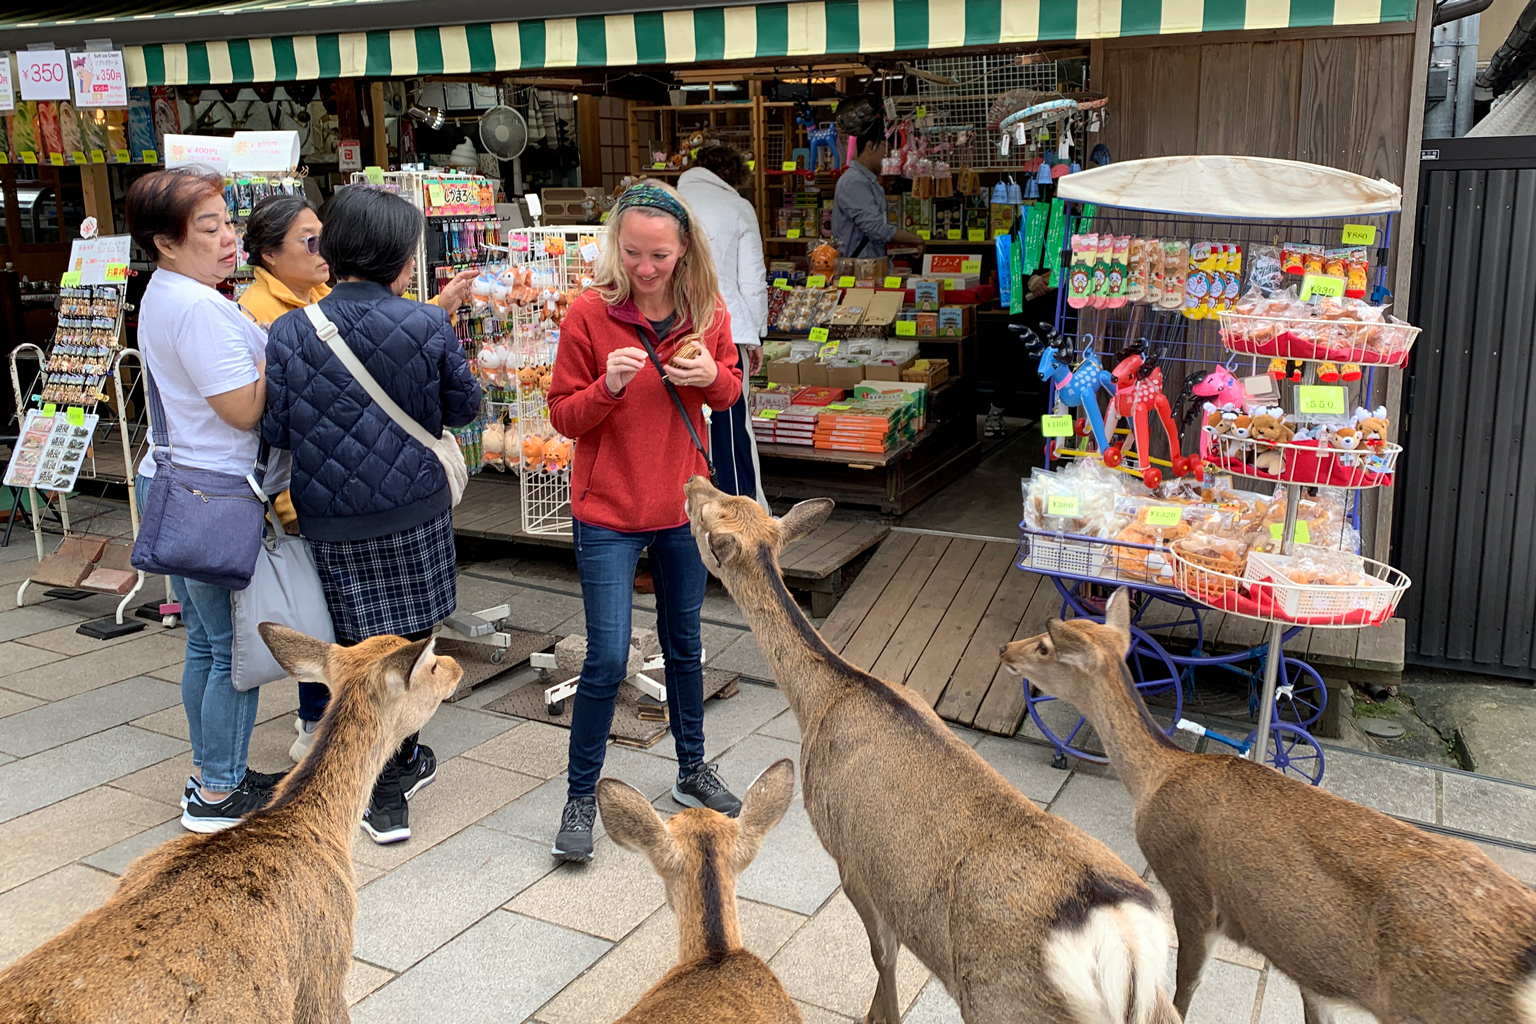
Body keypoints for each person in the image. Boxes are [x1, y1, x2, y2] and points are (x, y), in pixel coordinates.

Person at [263, 184, 481, 844]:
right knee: (412, 641)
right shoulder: (426, 323)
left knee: (358, 648)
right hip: (414, 511)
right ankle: (399, 766)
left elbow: (276, 427)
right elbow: (463, 408)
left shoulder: (291, 329)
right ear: (399, 257)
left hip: (332, 517)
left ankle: (373, 781)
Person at [546, 181, 744, 863]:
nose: (645, 267)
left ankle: (692, 769)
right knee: (606, 655)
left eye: (659, 255)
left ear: (684, 249)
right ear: (615, 245)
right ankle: (580, 795)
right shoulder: (588, 314)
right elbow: (563, 415)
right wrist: (607, 386)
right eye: (632, 252)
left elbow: (730, 391)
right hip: (607, 510)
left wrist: (707, 375)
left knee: (685, 643)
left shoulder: (705, 310)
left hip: (682, 506)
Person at [125, 166, 288, 833]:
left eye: (229, 223)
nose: (229, 239)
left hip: (177, 481)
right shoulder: (197, 308)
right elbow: (243, 410)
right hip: (211, 492)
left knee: (204, 641)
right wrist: (280, 356)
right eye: (209, 227)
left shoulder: (169, 292)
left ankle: (211, 771)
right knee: (231, 649)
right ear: (166, 242)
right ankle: (219, 793)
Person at [677, 143, 770, 511]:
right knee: (730, 423)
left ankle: (690, 510)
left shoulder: (671, 201)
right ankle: (744, 510)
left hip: (673, 328)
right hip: (728, 329)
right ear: (734, 177)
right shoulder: (737, 206)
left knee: (681, 424)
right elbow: (753, 279)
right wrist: (757, 335)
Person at [239, 193, 479, 327]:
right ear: (269, 254)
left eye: (325, 238)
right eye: (311, 241)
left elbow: (383, 330)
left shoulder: (323, 294)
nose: (324, 249)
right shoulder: (255, 314)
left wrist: (440, 306)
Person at [831, 95, 927, 259]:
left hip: (870, 266)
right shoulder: (853, 181)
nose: (890, 156)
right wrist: (916, 239)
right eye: (887, 149)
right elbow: (876, 229)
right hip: (859, 269)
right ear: (870, 146)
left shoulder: (867, 180)